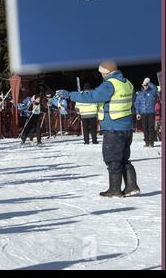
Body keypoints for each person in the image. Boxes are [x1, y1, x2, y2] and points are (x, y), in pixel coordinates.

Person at [56, 61, 140, 198]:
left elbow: (92, 96)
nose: (101, 75)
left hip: (113, 127)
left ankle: (115, 190)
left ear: (106, 72)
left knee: (112, 158)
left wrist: (70, 95)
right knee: (124, 158)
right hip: (126, 127)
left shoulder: (109, 84)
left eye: (101, 72)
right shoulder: (127, 83)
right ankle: (131, 186)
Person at [135, 78, 158, 147]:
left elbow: (155, 88)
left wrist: (149, 82)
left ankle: (152, 142)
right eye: (144, 85)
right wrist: (138, 113)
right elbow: (137, 104)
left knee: (151, 127)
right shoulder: (140, 94)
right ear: (142, 86)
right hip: (143, 113)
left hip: (151, 112)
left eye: (146, 85)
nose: (145, 86)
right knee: (145, 127)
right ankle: (147, 142)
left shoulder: (152, 92)